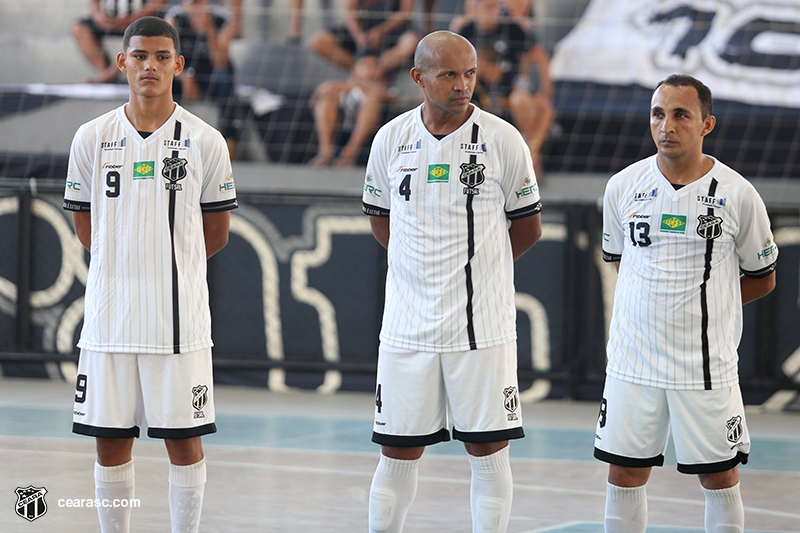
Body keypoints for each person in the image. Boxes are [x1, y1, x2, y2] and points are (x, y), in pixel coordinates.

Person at [361, 31, 542, 533]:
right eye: (449, 74)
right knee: (397, 450)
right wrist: (417, 267)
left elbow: (526, 227)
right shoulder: (391, 139)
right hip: (406, 327)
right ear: (418, 77)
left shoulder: (503, 139)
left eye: (470, 73)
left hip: (480, 327)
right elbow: (381, 220)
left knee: (487, 449)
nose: (463, 84)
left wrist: (480, 271)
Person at [63, 16, 238, 533]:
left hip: (177, 323)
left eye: (162, 57)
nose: (150, 66)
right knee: (110, 439)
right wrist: (125, 266)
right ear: (122, 62)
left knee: (183, 440)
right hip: (109, 319)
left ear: (179, 65)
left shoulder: (206, 140)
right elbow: (85, 224)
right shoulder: (91, 137)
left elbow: (217, 232)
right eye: (140, 56)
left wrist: (169, 271)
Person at [595, 74, 778, 533]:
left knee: (719, 476)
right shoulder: (622, 186)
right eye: (658, 113)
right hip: (632, 363)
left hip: (705, 365)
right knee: (623, 474)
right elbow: (622, 262)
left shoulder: (738, 194)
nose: (667, 125)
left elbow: (763, 277)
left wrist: (710, 306)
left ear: (706, 124)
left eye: (681, 114)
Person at [451, 0, 553, 177]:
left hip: (510, 88)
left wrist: (547, 93)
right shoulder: (465, 31)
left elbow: (541, 58)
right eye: (489, 6)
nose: (495, 11)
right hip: (475, 93)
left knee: (525, 102)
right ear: (476, 9)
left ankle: (529, 154)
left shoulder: (512, 28)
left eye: (497, 6)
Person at [165, 0, 243, 158]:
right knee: (166, 81)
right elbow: (166, 59)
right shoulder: (175, 15)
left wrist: (209, 29)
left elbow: (220, 63)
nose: (196, 8)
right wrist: (185, 78)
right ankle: (165, 135)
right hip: (183, 75)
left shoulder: (222, 17)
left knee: (225, 77)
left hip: (211, 76)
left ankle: (228, 139)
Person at [310, 53, 395, 167]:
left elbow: (388, 97)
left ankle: (349, 155)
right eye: (364, 65)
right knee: (325, 100)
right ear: (354, 69)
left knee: (371, 102)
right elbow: (312, 102)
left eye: (374, 66)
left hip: (369, 136)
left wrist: (355, 84)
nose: (370, 70)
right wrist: (325, 89)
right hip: (339, 127)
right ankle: (325, 152)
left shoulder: (384, 88)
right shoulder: (341, 86)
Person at [309, 0, 419, 81]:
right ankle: (360, 71)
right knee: (319, 41)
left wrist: (379, 31)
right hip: (361, 29)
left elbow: (405, 13)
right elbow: (349, 12)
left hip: (392, 28)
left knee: (411, 41)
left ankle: (376, 71)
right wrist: (359, 36)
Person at [71, 0, 168, 83]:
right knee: (78, 28)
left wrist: (134, 19)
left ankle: (111, 74)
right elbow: (94, 1)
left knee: (149, 31)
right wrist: (99, 18)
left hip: (145, 20)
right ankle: (105, 73)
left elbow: (158, 2)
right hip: (111, 21)